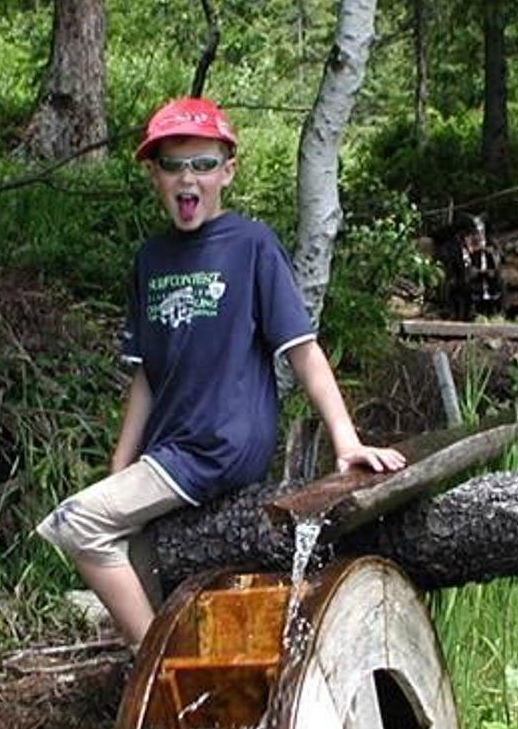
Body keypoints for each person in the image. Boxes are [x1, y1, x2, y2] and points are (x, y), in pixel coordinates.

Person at [36, 96, 406, 647]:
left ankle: (153, 659)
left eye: (203, 164)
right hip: (169, 451)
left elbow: (303, 350)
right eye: (172, 165)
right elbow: (146, 376)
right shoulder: (150, 259)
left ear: (227, 172)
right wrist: (118, 468)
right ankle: (175, 674)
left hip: (219, 444)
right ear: (154, 174)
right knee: (140, 562)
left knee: (76, 524)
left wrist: (346, 441)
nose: (188, 178)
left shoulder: (251, 246)